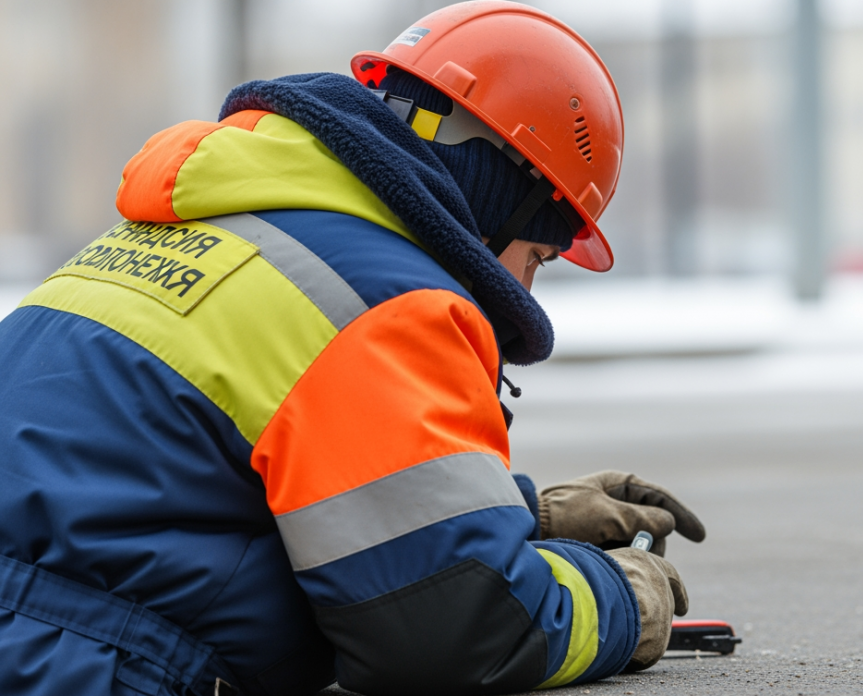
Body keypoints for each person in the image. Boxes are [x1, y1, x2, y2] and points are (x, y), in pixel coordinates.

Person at [0, 3, 706, 695]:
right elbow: (453, 630)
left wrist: (523, 515)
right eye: (540, 255)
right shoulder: (386, 303)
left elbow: (172, 479)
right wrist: (620, 596)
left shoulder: (200, 226)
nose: (527, 288)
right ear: (499, 203)